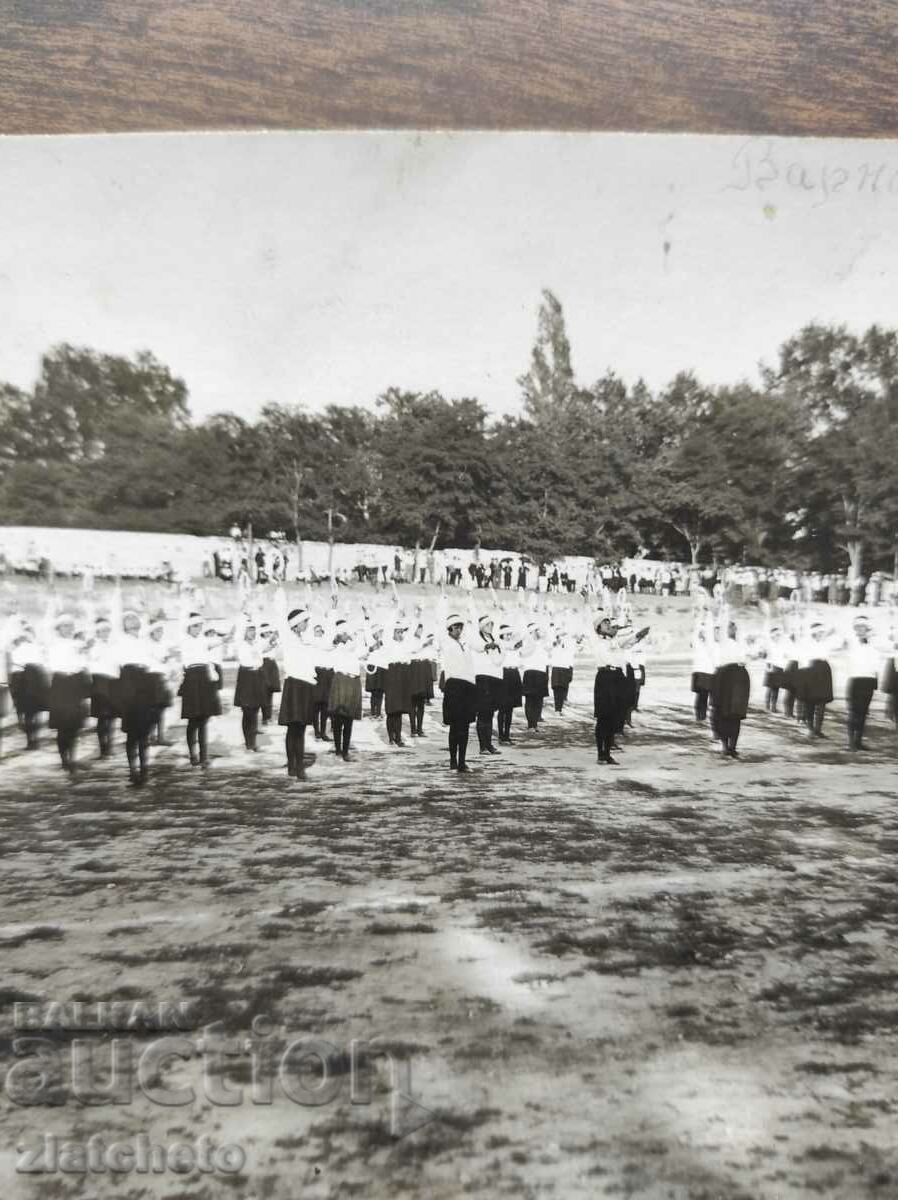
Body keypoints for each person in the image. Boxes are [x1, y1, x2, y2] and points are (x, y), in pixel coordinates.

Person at [118, 609, 160, 785]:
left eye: (135, 620)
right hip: (129, 681)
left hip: (144, 681)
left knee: (144, 732)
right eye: (129, 620)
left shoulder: (145, 642)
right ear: (124, 625)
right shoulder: (120, 641)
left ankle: (144, 769)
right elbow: (119, 664)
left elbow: (152, 662)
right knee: (132, 734)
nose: (133, 623)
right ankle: (132, 769)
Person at [46, 612, 91, 775]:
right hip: (60, 683)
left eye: (71, 626)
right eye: (65, 626)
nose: (69, 629)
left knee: (74, 725)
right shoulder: (54, 644)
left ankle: (72, 758)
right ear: (59, 628)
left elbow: (83, 664)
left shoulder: (78, 644)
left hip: (75, 684)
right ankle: (64, 759)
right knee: (62, 725)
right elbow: (53, 664)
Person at [277, 603, 317, 780]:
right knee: (293, 727)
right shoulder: (288, 637)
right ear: (295, 624)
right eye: (304, 622)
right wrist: (279, 593)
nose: (307, 624)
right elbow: (280, 615)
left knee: (299, 728)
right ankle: (294, 766)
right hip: (294, 685)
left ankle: (298, 766)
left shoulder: (303, 640)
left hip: (305, 685)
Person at [178, 611, 222, 768]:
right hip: (192, 678)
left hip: (204, 679)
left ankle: (204, 756)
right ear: (189, 627)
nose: (198, 629)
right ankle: (193, 754)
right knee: (193, 720)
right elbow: (185, 663)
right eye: (195, 626)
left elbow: (216, 642)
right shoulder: (185, 641)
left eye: (200, 626)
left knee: (204, 719)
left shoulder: (203, 640)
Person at [439, 613, 477, 772]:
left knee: (465, 726)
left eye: (461, 626)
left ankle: (462, 761)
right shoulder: (446, 643)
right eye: (456, 627)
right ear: (450, 628)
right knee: (455, 726)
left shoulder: (465, 643)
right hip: (454, 685)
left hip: (467, 685)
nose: (459, 629)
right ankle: (453, 761)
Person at [710, 619, 751, 758]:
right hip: (723, 677)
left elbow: (745, 659)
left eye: (734, 628)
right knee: (722, 711)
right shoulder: (719, 644)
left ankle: (732, 747)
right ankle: (725, 746)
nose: (733, 630)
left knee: (736, 713)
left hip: (738, 677)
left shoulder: (741, 643)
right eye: (729, 628)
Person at [328, 620, 363, 760]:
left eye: (347, 633)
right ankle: (338, 749)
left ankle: (345, 751)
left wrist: (355, 637)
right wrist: (339, 638)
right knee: (338, 717)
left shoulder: (355, 646)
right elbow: (332, 640)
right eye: (343, 633)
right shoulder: (337, 646)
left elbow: (363, 651)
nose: (346, 635)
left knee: (349, 718)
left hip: (353, 680)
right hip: (341, 680)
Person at [844, 615, 880, 751]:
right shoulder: (850, 641)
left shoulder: (873, 644)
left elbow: (876, 663)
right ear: (855, 628)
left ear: (867, 628)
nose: (861, 630)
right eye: (858, 627)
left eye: (864, 627)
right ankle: (850, 742)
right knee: (854, 712)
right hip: (855, 679)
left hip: (869, 680)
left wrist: (875, 681)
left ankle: (858, 741)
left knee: (864, 712)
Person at [234, 615, 267, 752]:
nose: (253, 632)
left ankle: (252, 741)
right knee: (247, 710)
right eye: (249, 630)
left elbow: (262, 652)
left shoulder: (256, 644)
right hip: (246, 676)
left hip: (257, 676)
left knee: (255, 710)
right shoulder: (241, 645)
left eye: (254, 630)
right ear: (244, 632)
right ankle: (248, 742)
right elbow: (248, 658)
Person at [88, 615, 119, 758]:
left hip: (112, 682)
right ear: (97, 632)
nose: (105, 633)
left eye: (107, 630)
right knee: (102, 717)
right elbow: (92, 659)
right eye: (102, 631)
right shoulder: (94, 645)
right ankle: (103, 749)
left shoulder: (114, 645)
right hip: (100, 681)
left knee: (111, 717)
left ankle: (110, 747)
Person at [472, 614, 503, 755]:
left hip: (494, 678)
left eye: (492, 624)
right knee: (483, 712)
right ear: (482, 626)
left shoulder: (494, 639)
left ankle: (489, 744)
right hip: (482, 678)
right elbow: (477, 647)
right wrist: (487, 646)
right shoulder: (477, 638)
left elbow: (499, 659)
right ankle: (482, 746)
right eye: (488, 625)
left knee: (490, 713)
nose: (490, 627)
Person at [496, 623, 523, 744]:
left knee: (510, 708)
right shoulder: (500, 644)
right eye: (507, 634)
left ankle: (507, 735)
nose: (509, 636)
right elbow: (510, 645)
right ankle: (501, 736)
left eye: (510, 634)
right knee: (503, 708)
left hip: (514, 674)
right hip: (504, 674)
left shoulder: (514, 645)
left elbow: (519, 641)